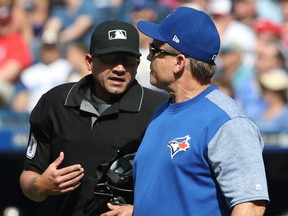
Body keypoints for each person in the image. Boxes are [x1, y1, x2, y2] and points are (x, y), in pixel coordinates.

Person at [104, 7, 270, 216]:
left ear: (179, 62)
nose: (149, 57)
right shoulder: (162, 111)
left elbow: (250, 207)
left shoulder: (227, 121)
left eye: (155, 50)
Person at [19, 20, 168, 216]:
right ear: (89, 62)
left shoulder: (161, 110)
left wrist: (140, 211)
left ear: (138, 64)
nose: (120, 68)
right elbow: (29, 175)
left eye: (128, 60)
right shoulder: (54, 103)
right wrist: (40, 186)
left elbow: (178, 185)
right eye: (111, 58)